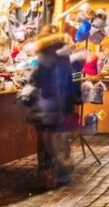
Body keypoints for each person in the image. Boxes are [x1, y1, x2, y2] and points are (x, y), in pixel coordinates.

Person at [26, 25, 80, 189]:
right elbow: (72, 80)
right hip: (62, 104)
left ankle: (50, 173)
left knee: (47, 141)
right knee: (58, 139)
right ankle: (61, 171)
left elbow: (36, 79)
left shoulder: (44, 56)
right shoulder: (64, 57)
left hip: (46, 103)